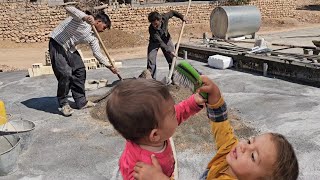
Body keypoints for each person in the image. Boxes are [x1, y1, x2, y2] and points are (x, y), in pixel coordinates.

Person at [133, 76, 299, 180]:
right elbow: (223, 128)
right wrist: (215, 99)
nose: (243, 147)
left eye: (253, 156)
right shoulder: (233, 154)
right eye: (249, 141)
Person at [106, 78, 205, 179]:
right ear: (155, 135)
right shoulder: (141, 170)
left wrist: (194, 102)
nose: (176, 112)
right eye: (172, 112)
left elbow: (179, 112)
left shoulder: (152, 131)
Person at [49, 5, 118, 116]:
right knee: (65, 73)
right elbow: (68, 8)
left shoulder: (93, 37)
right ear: (98, 21)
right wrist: (85, 17)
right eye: (104, 27)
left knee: (80, 69)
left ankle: (81, 101)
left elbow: (97, 54)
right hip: (57, 43)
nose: (103, 31)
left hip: (69, 48)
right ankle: (63, 103)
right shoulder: (82, 20)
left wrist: (110, 66)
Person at [147, 11, 186, 79]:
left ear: (160, 20)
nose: (154, 26)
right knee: (151, 60)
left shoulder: (165, 17)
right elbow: (160, 42)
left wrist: (182, 17)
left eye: (156, 24)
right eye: (152, 24)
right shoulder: (151, 29)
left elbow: (173, 12)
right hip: (155, 42)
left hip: (166, 39)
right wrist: (169, 51)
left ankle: (173, 78)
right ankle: (152, 81)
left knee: (172, 59)